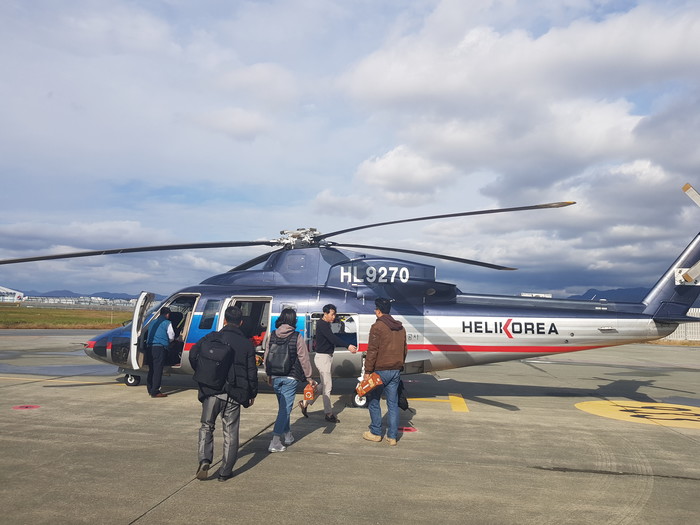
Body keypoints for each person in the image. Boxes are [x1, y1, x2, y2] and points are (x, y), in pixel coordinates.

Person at [189, 306, 258, 482]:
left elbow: (193, 354)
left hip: (212, 391)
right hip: (235, 394)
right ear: (240, 323)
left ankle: (205, 459)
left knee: (206, 426)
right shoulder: (247, 344)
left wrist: (204, 374)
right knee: (231, 432)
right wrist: (252, 393)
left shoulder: (212, 337)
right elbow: (251, 372)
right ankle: (225, 471)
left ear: (225, 320)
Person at [264, 308, 314, 453]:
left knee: (283, 409)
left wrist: (268, 374)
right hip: (291, 377)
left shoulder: (272, 335)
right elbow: (303, 358)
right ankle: (275, 441)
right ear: (293, 320)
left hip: (275, 377)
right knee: (284, 411)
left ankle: (288, 435)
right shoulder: (296, 336)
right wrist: (309, 377)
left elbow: (267, 356)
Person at [299, 304, 357, 422]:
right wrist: (348, 345)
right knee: (328, 387)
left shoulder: (325, 324)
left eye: (334, 314)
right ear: (325, 314)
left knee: (322, 386)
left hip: (325, 357)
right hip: (322, 358)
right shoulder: (322, 325)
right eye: (332, 314)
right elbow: (332, 338)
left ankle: (305, 402)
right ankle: (328, 414)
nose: (334, 316)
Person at [362, 297, 407, 446]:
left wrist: (368, 371)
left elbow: (372, 351)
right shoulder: (401, 328)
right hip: (395, 370)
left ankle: (375, 432)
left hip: (379, 371)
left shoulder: (377, 327)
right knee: (392, 404)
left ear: (379, 311)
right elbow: (404, 350)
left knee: (374, 401)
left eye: (376, 309)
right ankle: (392, 436)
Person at [145, 306, 174, 398]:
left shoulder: (152, 322)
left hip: (150, 348)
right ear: (167, 314)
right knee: (158, 370)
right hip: (159, 348)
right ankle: (155, 391)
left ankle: (150, 389)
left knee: (152, 369)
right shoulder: (167, 323)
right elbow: (171, 336)